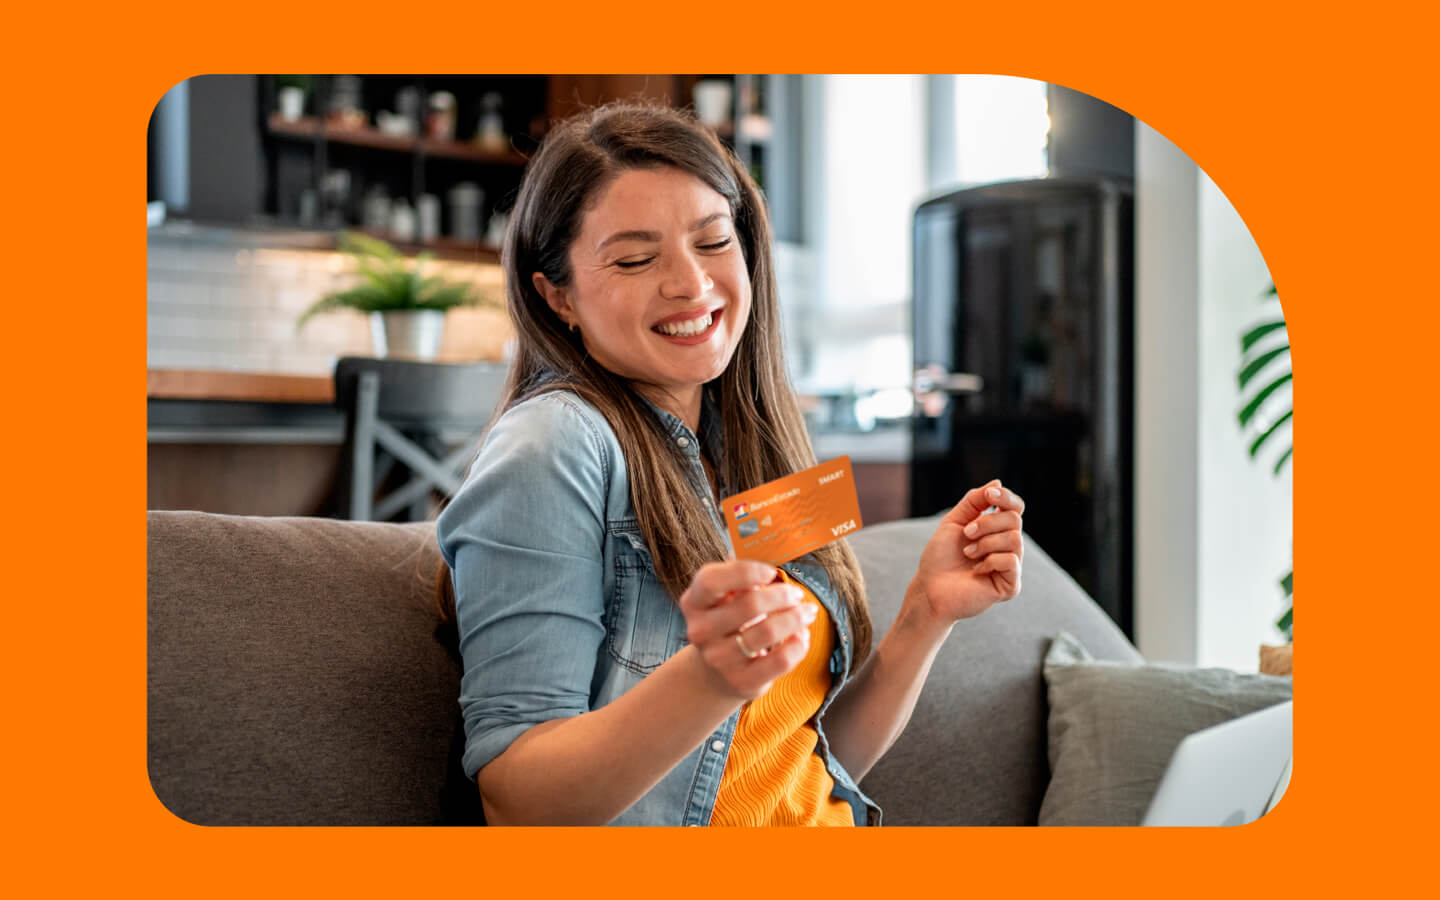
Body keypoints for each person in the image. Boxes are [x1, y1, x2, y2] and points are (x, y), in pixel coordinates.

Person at [434, 102, 1025, 826]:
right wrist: (708, 679)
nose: (691, 283)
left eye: (714, 241)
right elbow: (519, 801)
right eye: (635, 258)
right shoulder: (554, 446)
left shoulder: (756, 441)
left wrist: (927, 615)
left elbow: (796, 758)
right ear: (557, 296)